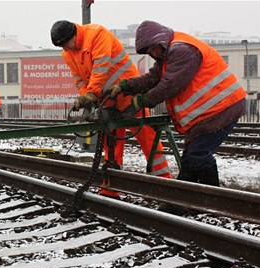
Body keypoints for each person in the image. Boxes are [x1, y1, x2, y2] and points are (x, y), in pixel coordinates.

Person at [108, 20, 246, 188]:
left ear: (159, 41)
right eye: (148, 51)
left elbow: (170, 85)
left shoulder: (182, 50)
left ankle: (212, 200)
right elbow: (152, 78)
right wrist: (126, 86)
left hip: (223, 107)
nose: (151, 53)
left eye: (151, 48)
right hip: (209, 113)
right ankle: (183, 199)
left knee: (198, 156)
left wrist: (142, 101)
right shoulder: (168, 55)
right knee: (191, 158)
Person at [50, 20, 172, 198]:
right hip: (107, 101)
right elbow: (79, 78)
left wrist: (91, 93)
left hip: (127, 93)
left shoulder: (97, 35)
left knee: (147, 137)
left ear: (73, 34)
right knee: (111, 145)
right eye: (62, 47)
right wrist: (87, 97)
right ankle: (111, 187)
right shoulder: (68, 53)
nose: (66, 49)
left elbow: (101, 67)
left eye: (66, 44)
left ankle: (165, 182)